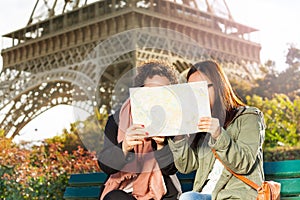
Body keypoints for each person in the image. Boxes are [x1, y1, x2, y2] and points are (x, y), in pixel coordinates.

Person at [168, 60, 266, 200]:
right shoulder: (201, 123)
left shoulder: (249, 117)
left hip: (236, 196)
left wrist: (218, 135)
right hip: (204, 195)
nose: (198, 96)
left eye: (202, 88)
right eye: (192, 91)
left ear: (219, 86)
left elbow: (244, 164)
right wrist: (178, 137)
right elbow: (186, 167)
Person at [98, 60, 182, 200]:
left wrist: (161, 146)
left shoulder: (174, 121)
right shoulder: (117, 120)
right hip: (122, 192)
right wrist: (124, 147)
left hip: (160, 193)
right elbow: (105, 165)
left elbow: (172, 168)